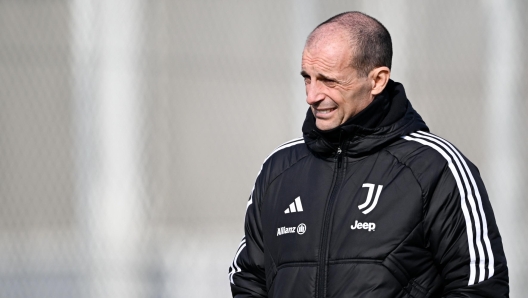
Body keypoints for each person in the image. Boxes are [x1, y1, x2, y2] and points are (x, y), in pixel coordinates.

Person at [228, 11, 508, 297]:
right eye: (307, 79)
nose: (312, 95)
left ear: (377, 80)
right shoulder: (279, 170)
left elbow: (480, 287)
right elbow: (248, 278)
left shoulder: (436, 167)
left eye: (329, 81)